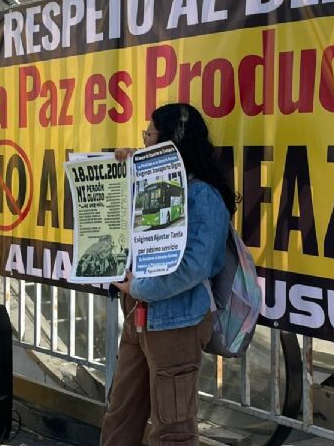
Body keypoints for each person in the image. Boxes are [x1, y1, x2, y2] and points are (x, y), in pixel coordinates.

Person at [101, 103, 237, 446]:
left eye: (149, 135)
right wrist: (123, 171)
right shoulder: (151, 186)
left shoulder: (203, 196)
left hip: (177, 323)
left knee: (172, 429)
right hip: (139, 316)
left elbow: (194, 266)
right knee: (121, 415)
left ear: (169, 145)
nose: (143, 142)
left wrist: (140, 286)